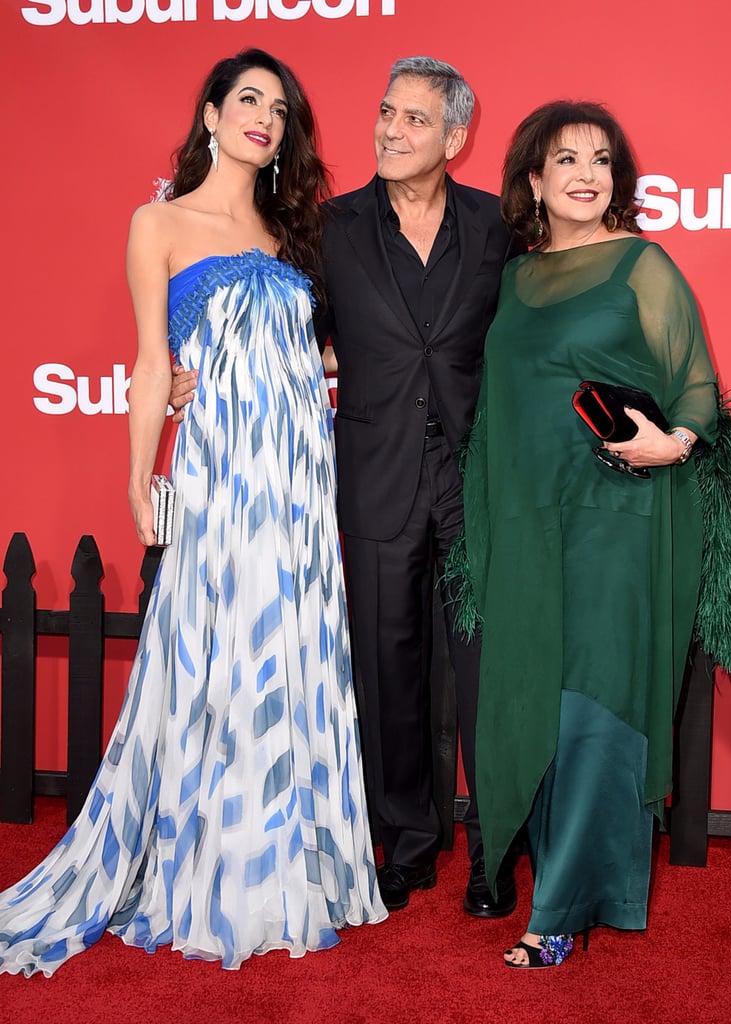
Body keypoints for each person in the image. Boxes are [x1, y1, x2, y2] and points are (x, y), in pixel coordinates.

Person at [0, 48, 386, 978]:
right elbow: (149, 362)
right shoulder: (159, 222)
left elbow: (317, 355)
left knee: (291, 649)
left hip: (300, 478)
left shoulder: (296, 234)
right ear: (210, 115)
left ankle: (289, 866)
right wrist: (141, 474)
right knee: (223, 654)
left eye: (280, 110)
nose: (265, 118)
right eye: (248, 99)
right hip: (222, 475)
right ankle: (219, 868)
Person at [170, 56, 515, 917]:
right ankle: (408, 843)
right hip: (372, 475)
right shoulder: (328, 228)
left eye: (414, 120)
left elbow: (527, 340)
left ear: (455, 139)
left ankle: (496, 852)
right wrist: (193, 369)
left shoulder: (496, 225)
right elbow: (285, 332)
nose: (391, 130)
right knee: (387, 672)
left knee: (490, 674)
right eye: (387, 112)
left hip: (475, 480)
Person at [458, 100, 731, 968]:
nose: (586, 174)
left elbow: (695, 384)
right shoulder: (514, 278)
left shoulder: (642, 265)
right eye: (566, 159)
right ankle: (558, 879)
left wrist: (674, 442)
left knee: (594, 704)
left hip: (617, 521)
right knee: (539, 699)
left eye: (601, 160)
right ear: (534, 179)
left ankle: (560, 911)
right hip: (530, 523)